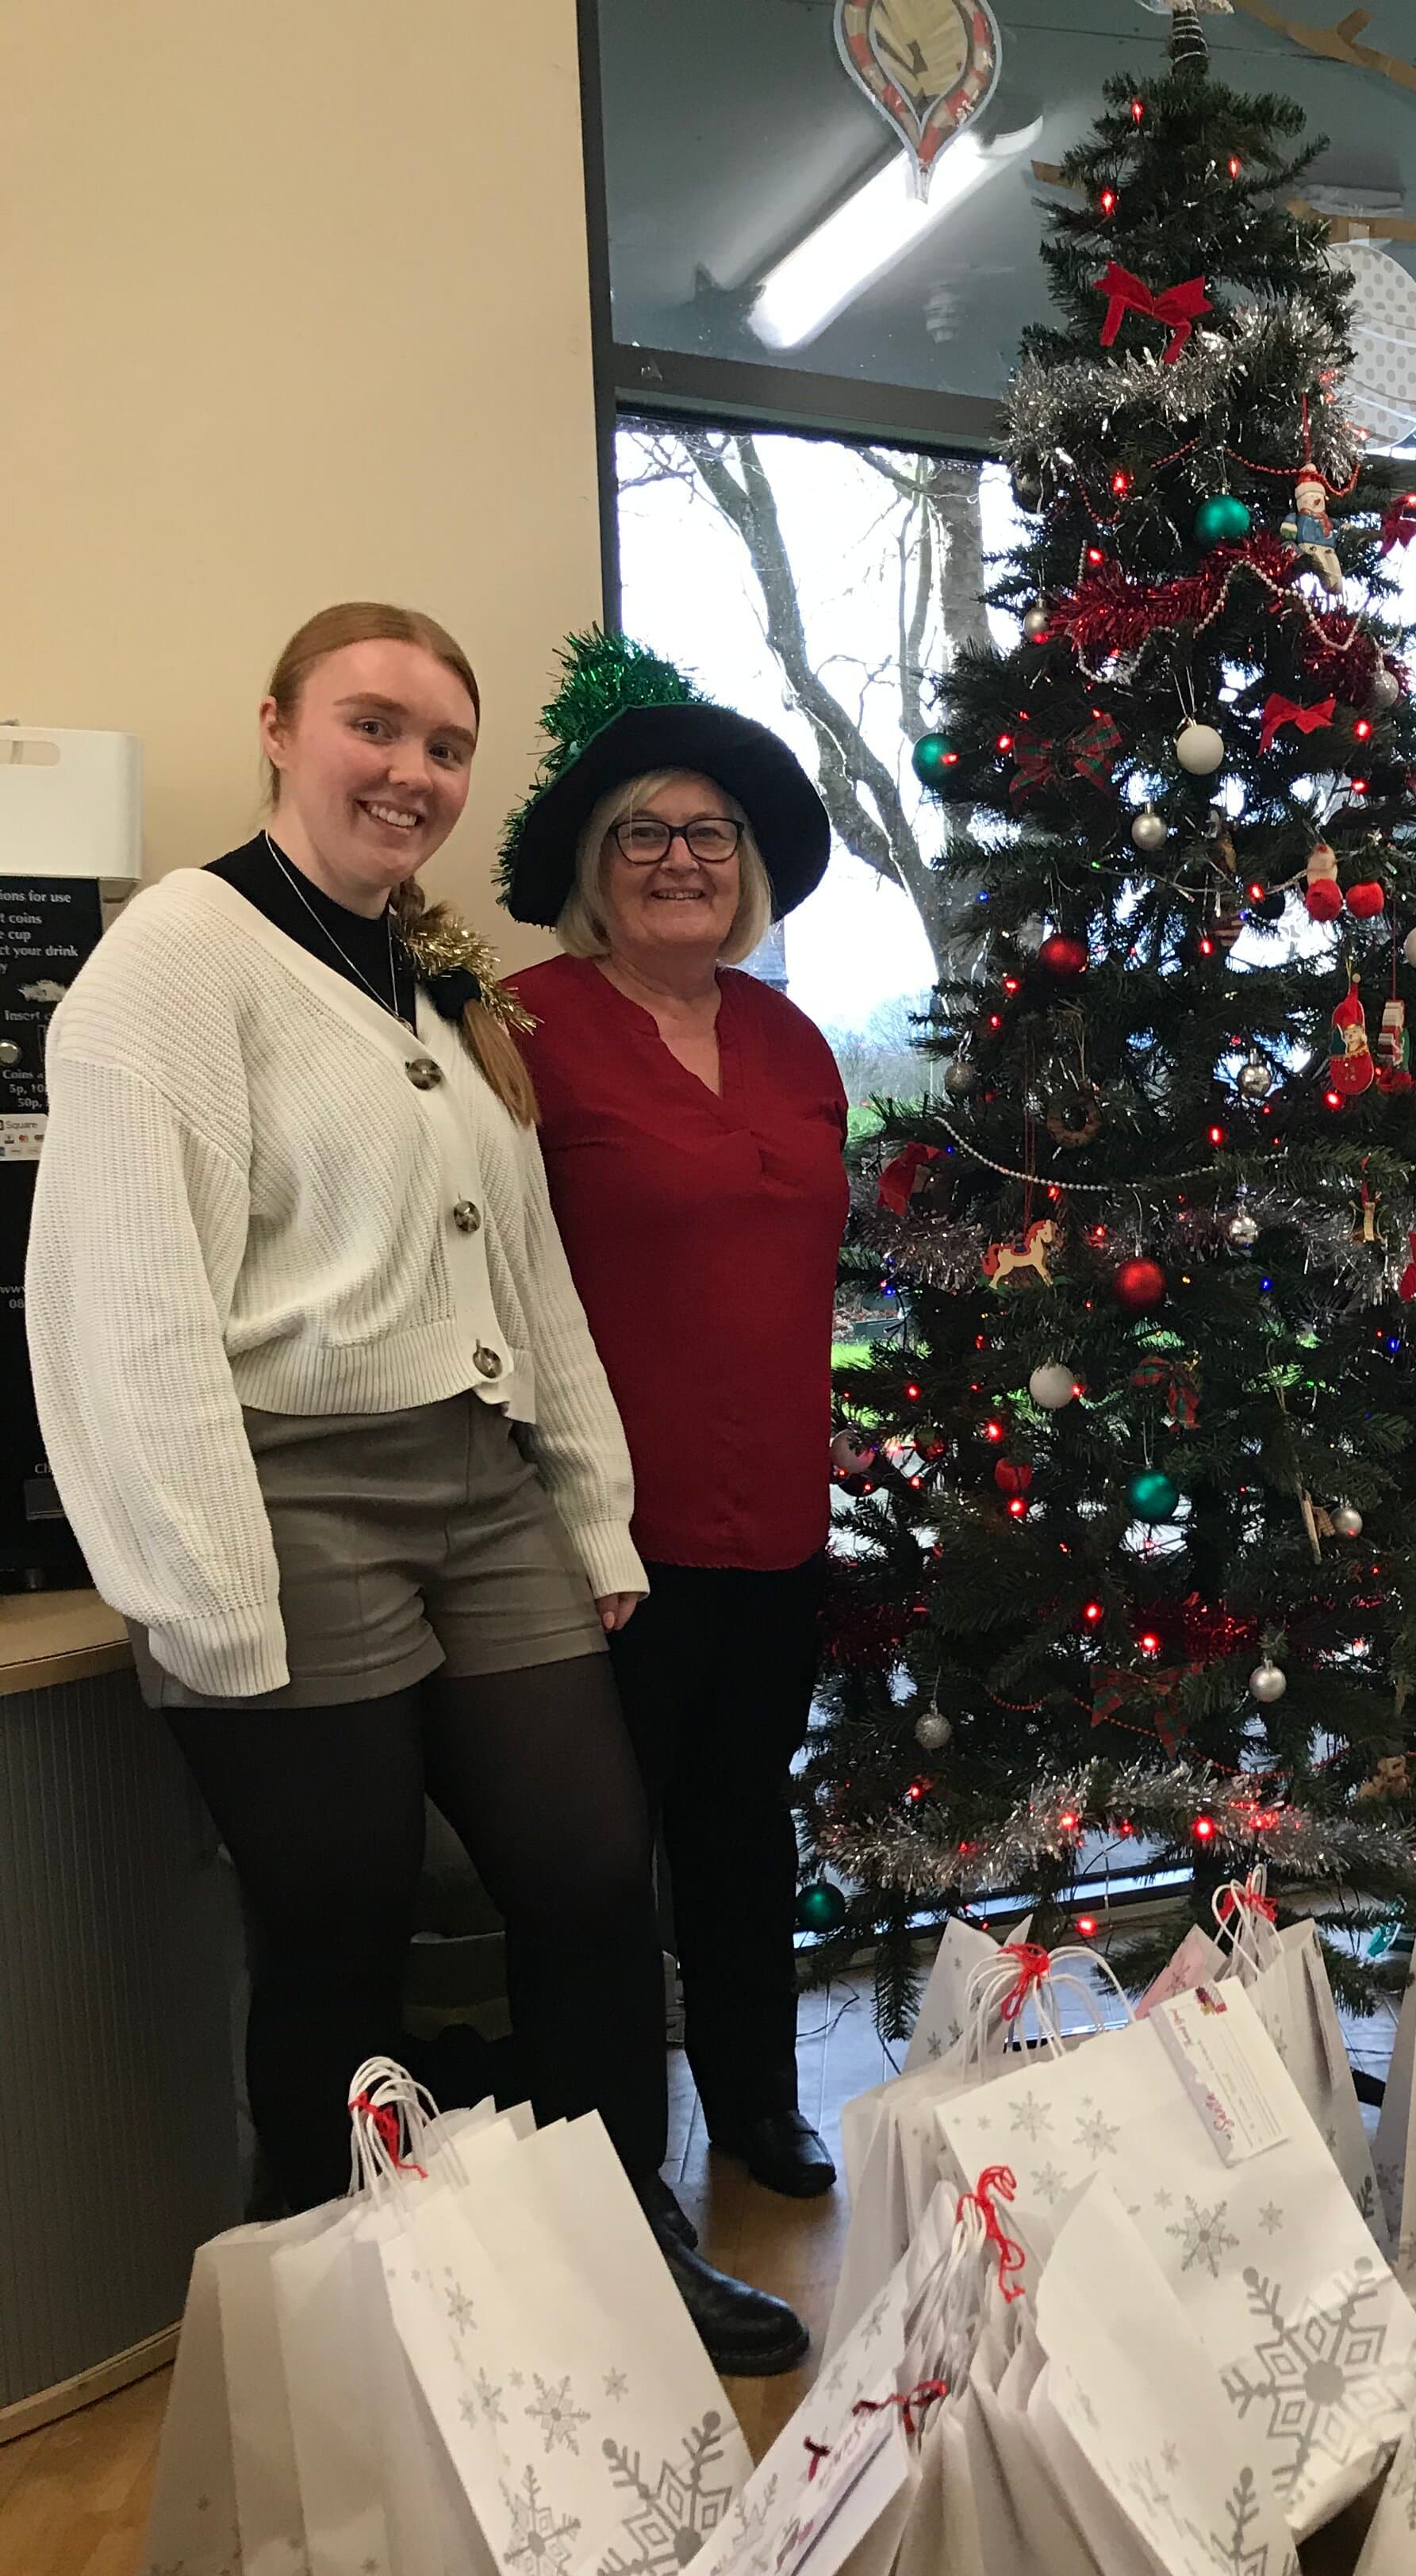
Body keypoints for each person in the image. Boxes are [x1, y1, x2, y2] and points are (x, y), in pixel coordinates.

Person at [24, 601, 807, 2375]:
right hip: (286, 1501)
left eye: (445, 746)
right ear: (281, 726)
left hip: (481, 1490)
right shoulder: (179, 958)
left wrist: (590, 1507)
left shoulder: (431, 982)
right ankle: (341, 2312)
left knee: (597, 1876)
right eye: (375, 727)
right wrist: (204, 1590)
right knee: (340, 1919)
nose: (413, 771)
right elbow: (121, 1303)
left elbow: (530, 1282)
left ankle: (624, 2244)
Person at [500, 642, 852, 2205]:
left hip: (775, 1515)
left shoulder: (792, 1044)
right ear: (597, 863)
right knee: (595, 1864)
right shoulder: (521, 1026)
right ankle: (610, 2159)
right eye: (643, 832)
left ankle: (758, 2104)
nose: (680, 861)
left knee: (741, 1825)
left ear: (749, 870)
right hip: (600, 1535)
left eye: (710, 836)